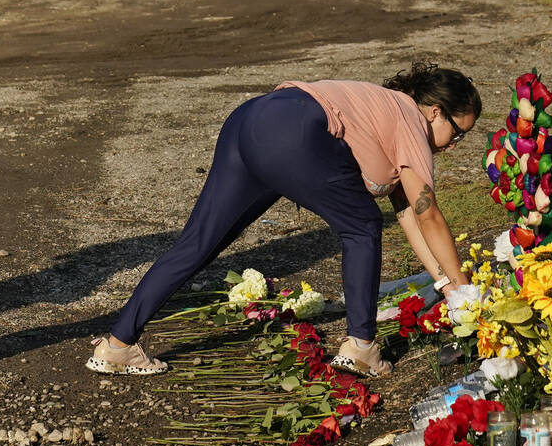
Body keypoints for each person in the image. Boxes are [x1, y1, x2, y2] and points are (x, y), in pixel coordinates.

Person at [87, 62, 482, 377]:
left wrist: (445, 282)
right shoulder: (410, 118)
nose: (452, 145)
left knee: (198, 242)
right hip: (290, 132)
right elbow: (428, 212)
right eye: (458, 133)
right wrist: (466, 289)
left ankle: (118, 345)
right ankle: (362, 346)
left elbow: (409, 214)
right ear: (434, 111)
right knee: (362, 226)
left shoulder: (383, 110)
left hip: (251, 120)